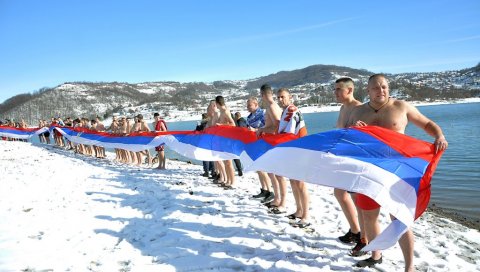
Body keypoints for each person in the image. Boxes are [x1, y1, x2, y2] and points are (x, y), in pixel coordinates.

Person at [348, 74, 448, 270]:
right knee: (369, 216)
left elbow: (426, 123)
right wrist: (354, 129)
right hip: (369, 170)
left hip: (396, 172)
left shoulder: (401, 107)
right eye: (375, 87)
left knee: (400, 219)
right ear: (367, 90)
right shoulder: (357, 112)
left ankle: (409, 267)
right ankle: (376, 255)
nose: (381, 90)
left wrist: (439, 135)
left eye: (384, 86)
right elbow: (347, 138)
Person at [332, 78, 365, 251]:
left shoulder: (359, 108)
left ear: (350, 90)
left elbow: (365, 134)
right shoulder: (342, 108)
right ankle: (355, 230)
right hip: (344, 158)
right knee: (339, 193)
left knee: (357, 199)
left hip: (355, 160)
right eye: (335, 89)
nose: (335, 93)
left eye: (339, 89)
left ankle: (364, 238)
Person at [275, 88, 310, 227]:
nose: (280, 100)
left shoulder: (291, 110)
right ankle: (299, 210)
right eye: (278, 97)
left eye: (282, 97)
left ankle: (306, 214)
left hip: (298, 149)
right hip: (291, 150)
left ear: (290, 97)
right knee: (293, 182)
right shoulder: (285, 111)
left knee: (300, 183)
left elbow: (287, 134)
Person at [256, 84, 286, 210]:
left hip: (275, 143)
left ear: (263, 95)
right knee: (273, 173)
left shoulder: (272, 107)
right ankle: (277, 198)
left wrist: (262, 129)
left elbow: (277, 126)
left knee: (278, 175)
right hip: (271, 143)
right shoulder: (270, 106)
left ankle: (282, 202)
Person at [246, 97, 273, 202]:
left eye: (249, 105)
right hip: (254, 144)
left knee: (263, 168)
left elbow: (268, 127)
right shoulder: (249, 117)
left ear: (256, 104)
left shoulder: (263, 114)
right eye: (247, 105)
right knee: (258, 168)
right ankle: (264, 189)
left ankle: (270, 191)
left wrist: (255, 130)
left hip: (263, 143)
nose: (248, 107)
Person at [215, 95, 237, 189]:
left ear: (217, 103)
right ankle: (228, 180)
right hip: (223, 139)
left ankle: (232, 182)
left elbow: (233, 124)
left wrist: (220, 124)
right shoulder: (222, 111)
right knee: (226, 161)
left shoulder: (225, 111)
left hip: (228, 139)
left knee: (229, 162)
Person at [233, 112, 247, 176]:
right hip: (244, 140)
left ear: (236, 116)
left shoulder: (239, 122)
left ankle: (239, 169)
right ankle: (243, 168)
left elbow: (240, 130)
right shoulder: (244, 120)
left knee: (236, 156)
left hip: (238, 141)